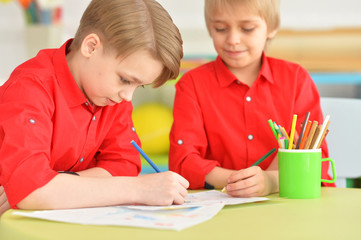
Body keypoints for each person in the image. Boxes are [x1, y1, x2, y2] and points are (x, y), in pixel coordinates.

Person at [0, 0, 189, 216]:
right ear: (91, 47)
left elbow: (123, 166)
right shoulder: (29, 89)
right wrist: (139, 188)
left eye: (140, 85)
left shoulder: (111, 96)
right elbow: (32, 193)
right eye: (125, 80)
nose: (128, 96)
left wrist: (54, 183)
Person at [169, 0, 335, 197]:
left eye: (247, 29)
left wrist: (271, 181)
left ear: (271, 28)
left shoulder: (296, 79)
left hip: (287, 204)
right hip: (219, 206)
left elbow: (316, 162)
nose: (233, 39)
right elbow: (183, 162)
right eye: (220, 28)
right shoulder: (192, 85)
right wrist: (244, 181)